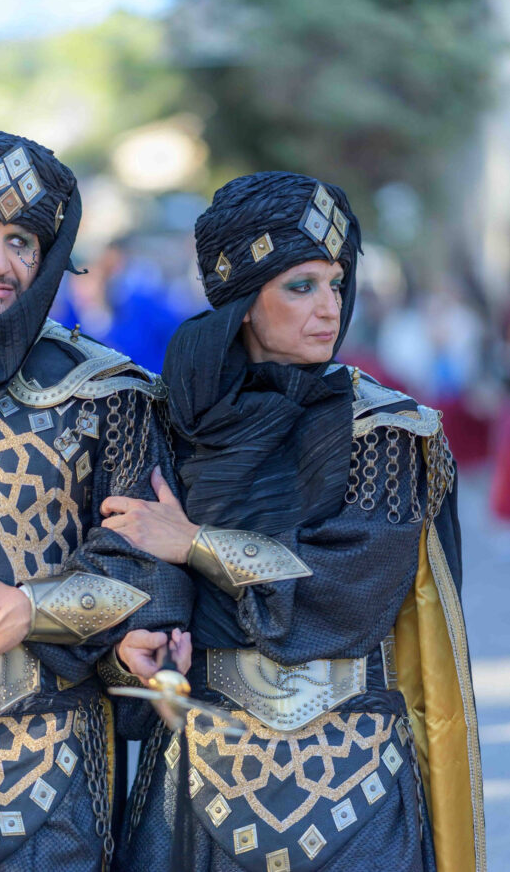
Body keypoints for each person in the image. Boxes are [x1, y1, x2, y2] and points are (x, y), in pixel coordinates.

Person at [103, 172, 485, 871]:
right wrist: (139, 640)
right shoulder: (166, 420)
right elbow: (133, 568)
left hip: (355, 779)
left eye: (336, 284)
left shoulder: (387, 431)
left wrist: (196, 543)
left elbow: (349, 593)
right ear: (245, 301)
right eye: (301, 286)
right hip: (199, 772)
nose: (329, 308)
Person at [0, 128, 192, 871]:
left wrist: (28, 610)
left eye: (21, 241)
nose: (0, 262)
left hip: (45, 781)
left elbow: (150, 568)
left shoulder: (104, 395)